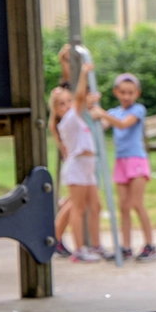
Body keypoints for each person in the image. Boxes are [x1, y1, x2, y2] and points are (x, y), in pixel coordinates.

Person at [94, 73, 156, 262]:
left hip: (136, 160)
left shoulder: (138, 110)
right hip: (121, 161)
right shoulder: (114, 112)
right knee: (123, 207)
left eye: (130, 93)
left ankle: (150, 245)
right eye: (122, 92)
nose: (126, 96)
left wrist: (102, 113)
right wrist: (92, 108)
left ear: (137, 93)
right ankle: (126, 246)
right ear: (116, 92)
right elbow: (102, 125)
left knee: (136, 204)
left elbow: (122, 125)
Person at [53, 67, 103, 264]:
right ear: (56, 110)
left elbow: (82, 101)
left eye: (68, 101)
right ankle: (80, 249)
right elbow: (81, 97)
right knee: (78, 208)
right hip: (77, 166)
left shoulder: (78, 119)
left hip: (88, 166)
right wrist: (82, 73)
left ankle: (96, 245)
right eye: (61, 104)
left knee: (96, 206)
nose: (66, 105)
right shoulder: (68, 120)